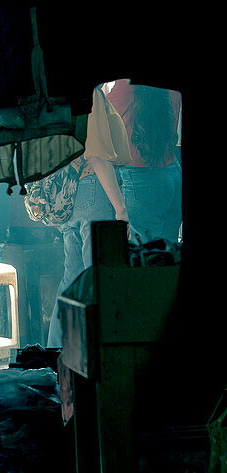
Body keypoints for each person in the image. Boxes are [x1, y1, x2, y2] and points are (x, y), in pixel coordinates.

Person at [46, 85, 132, 348]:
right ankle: (94, 357)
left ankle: (56, 353)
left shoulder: (66, 93)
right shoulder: (91, 94)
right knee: (98, 279)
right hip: (93, 190)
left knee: (71, 280)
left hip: (70, 194)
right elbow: (96, 156)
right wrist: (121, 208)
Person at [105, 80, 182, 245]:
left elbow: (98, 122)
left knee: (145, 258)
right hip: (172, 171)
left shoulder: (124, 87)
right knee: (168, 255)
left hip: (141, 178)